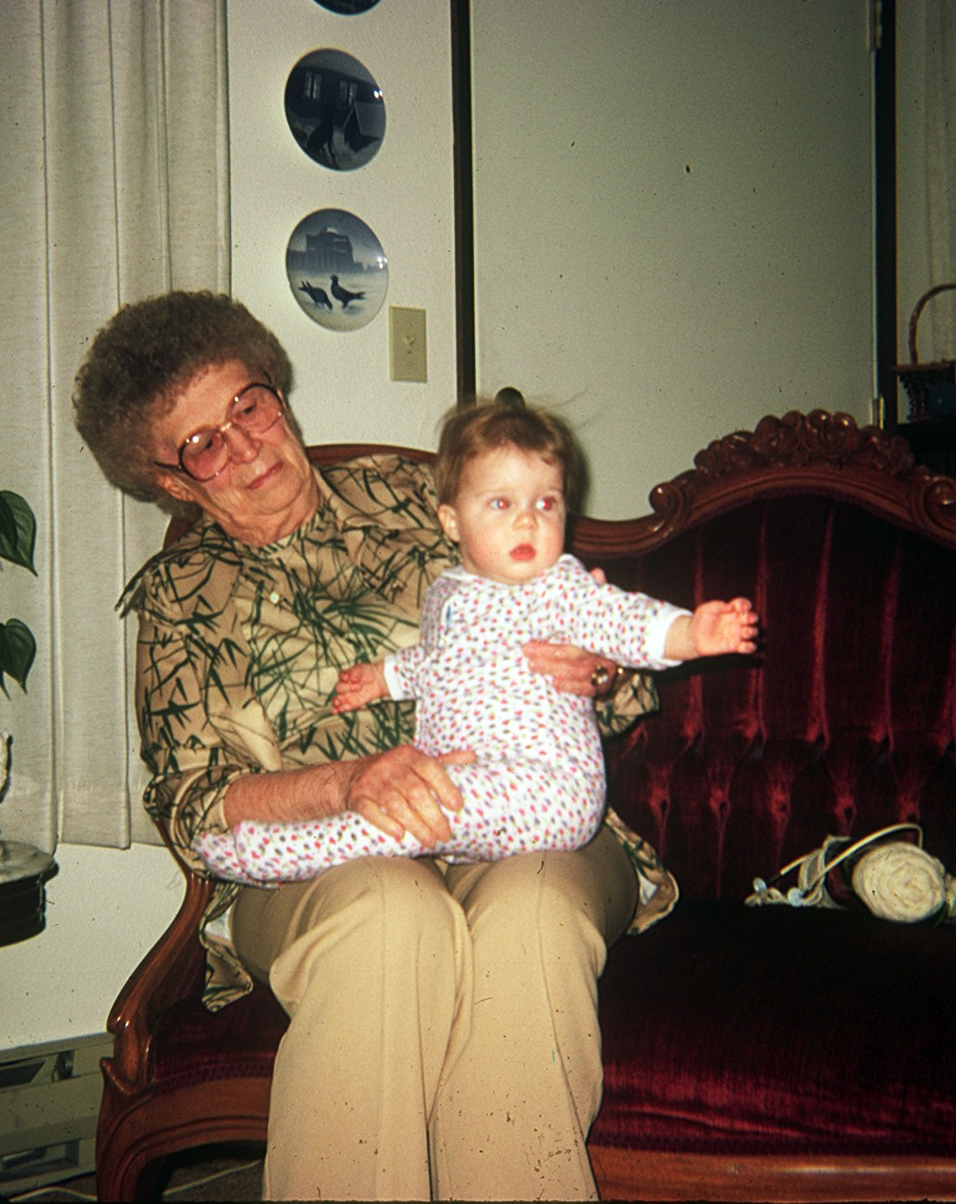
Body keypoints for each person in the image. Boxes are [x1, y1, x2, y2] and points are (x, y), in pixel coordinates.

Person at [74, 290, 680, 1202]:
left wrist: (596, 670)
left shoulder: (424, 496)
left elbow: (620, 674)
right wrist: (346, 782)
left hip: (525, 819)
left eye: (248, 404)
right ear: (172, 482)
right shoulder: (178, 596)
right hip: (321, 865)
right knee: (387, 918)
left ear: (276, 391)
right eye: (203, 443)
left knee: (535, 917)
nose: (245, 445)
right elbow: (191, 803)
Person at [193, 401, 757, 886]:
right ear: (451, 522)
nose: (528, 523)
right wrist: (383, 678)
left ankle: (272, 854)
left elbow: (625, 621)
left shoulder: (559, 587)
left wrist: (692, 633)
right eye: (501, 504)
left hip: (544, 789)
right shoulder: (450, 593)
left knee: (389, 822)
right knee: (411, 810)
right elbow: (437, 665)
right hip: (477, 790)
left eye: (546, 503)